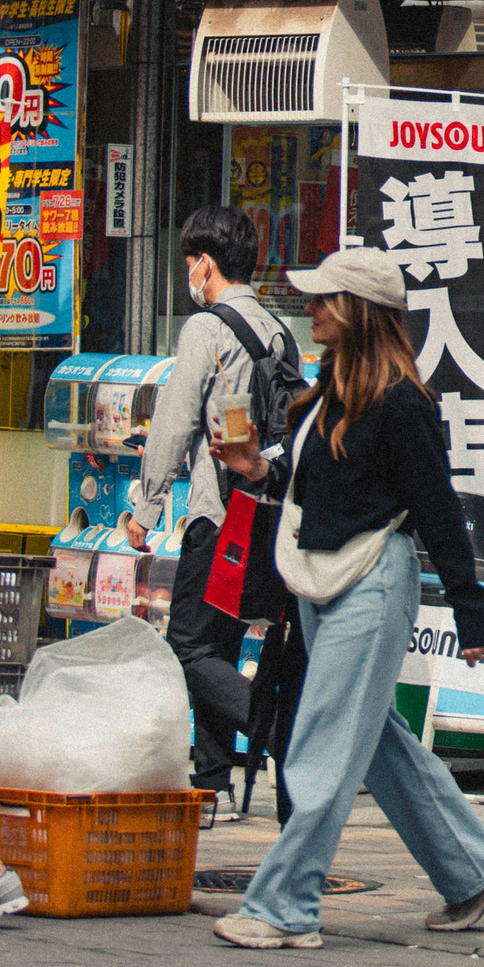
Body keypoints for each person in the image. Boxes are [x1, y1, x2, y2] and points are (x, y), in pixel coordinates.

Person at [207, 246, 484, 949]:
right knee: (376, 740)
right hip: (328, 581)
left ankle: (284, 907)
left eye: (325, 299)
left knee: (323, 743)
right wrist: (254, 467)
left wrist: (474, 610)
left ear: (356, 311)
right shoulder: (330, 392)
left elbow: (438, 510)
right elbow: (310, 483)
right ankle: (476, 872)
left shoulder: (400, 403)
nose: (312, 308)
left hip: (370, 583)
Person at [126, 205, 299, 807]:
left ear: (204, 263)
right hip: (264, 510)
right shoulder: (278, 331)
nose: (188, 275)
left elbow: (174, 424)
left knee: (190, 646)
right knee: (220, 644)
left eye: (189, 262)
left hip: (217, 513)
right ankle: (210, 780)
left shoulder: (206, 328)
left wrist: (145, 509)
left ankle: (279, 732)